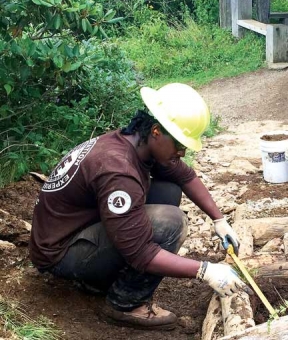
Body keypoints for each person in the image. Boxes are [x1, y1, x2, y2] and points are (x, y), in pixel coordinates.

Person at [29, 83, 250, 330]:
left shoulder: (136, 141)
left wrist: (219, 219)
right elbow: (140, 252)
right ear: (156, 131)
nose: (183, 151)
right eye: (178, 144)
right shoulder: (118, 170)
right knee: (171, 222)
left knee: (168, 190)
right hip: (61, 253)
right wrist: (205, 271)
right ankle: (124, 304)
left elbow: (185, 176)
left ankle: (104, 276)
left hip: (79, 229)